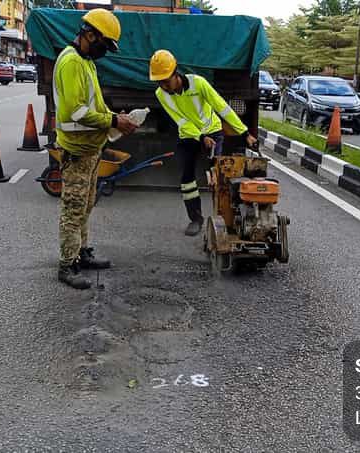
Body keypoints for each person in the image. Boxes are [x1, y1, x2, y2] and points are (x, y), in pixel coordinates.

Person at [54, 8, 138, 289]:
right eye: (104, 44)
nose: (105, 51)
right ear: (90, 35)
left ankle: (81, 253)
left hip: (90, 149)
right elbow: (77, 112)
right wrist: (114, 121)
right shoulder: (71, 62)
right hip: (76, 151)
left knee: (85, 206)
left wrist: (116, 117)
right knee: (73, 209)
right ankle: (67, 265)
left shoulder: (86, 61)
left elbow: (95, 106)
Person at [149, 50, 258, 236]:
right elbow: (181, 120)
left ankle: (227, 218)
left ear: (176, 73)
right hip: (189, 135)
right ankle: (195, 219)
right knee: (186, 178)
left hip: (213, 131)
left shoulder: (198, 83)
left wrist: (244, 132)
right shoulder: (161, 94)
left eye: (166, 81)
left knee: (219, 175)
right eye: (159, 82)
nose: (164, 86)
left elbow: (221, 107)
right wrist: (200, 137)